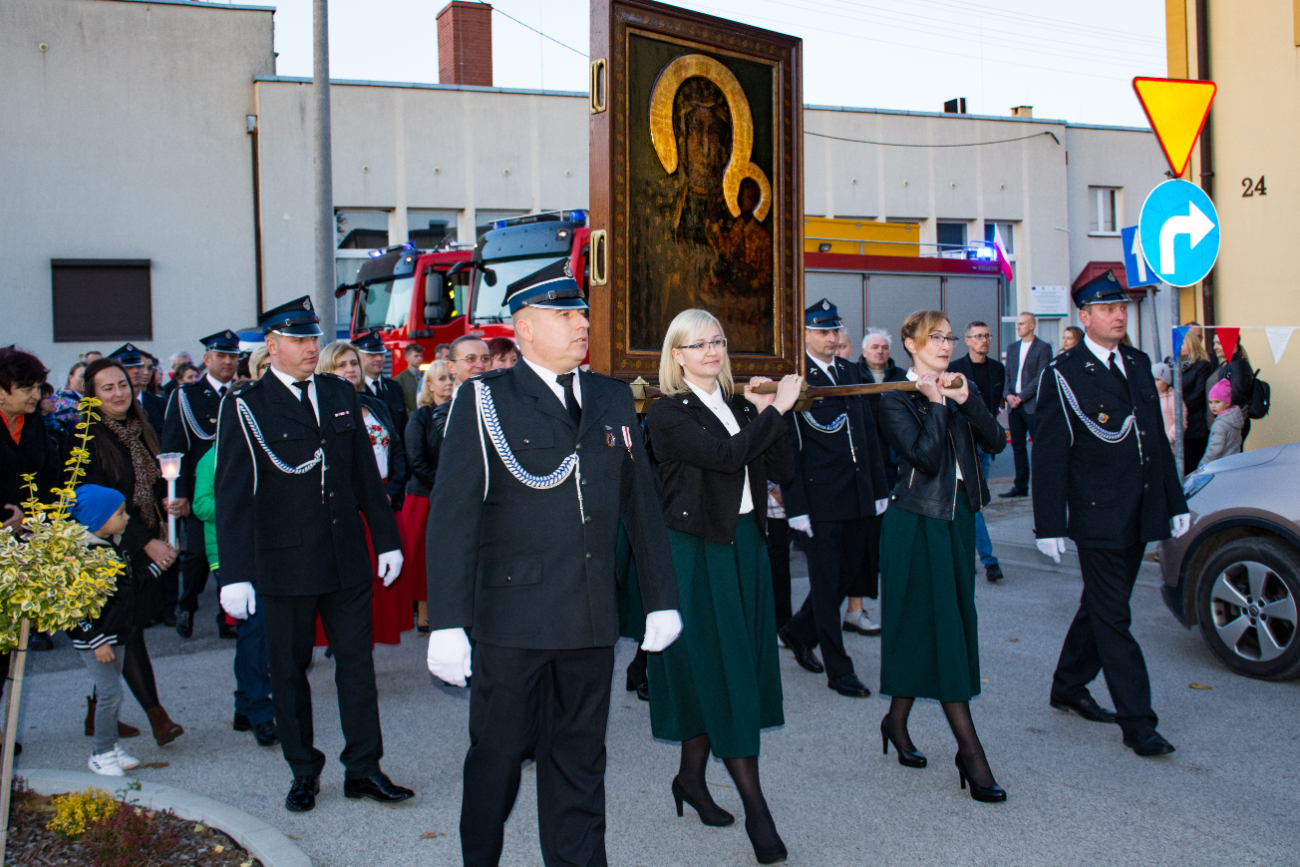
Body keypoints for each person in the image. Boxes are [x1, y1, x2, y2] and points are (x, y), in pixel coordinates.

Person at [424, 259, 681, 867]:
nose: (581, 323)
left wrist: (661, 597)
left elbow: (640, 506)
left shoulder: (612, 397)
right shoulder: (485, 400)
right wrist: (448, 622)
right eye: (565, 314)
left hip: (590, 615)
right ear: (525, 328)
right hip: (513, 620)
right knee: (497, 758)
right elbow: (454, 517)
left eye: (582, 313)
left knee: (581, 761)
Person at [214, 295, 413, 813]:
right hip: (284, 561)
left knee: (357, 666)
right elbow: (233, 495)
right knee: (288, 670)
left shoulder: (338, 393)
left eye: (313, 339)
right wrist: (234, 576)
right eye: (299, 340)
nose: (310, 349)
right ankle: (304, 770)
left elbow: (364, 475)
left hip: (345, 553)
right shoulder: (247, 405)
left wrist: (386, 538)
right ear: (272, 346)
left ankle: (364, 769)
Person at [642, 309, 800, 864]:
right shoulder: (666, 414)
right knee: (719, 667)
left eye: (717, 340)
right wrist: (775, 409)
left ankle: (690, 777)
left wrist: (766, 411)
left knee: (729, 665)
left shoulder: (736, 404)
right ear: (677, 354)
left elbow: (781, 464)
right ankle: (758, 811)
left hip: (745, 548)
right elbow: (727, 457)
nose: (712, 351)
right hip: (696, 551)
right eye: (698, 343)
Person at [1032, 270, 1189, 758]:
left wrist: (1175, 501)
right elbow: (1051, 453)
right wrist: (1049, 523)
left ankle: (1068, 683)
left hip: (1141, 507)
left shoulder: (1139, 363)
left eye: (1122, 307)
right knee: (1115, 616)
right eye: (1106, 308)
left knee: (1101, 606)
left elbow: (1155, 444)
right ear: (1085, 316)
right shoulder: (1064, 373)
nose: (1119, 315)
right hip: (1098, 513)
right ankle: (1138, 723)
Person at [877, 310, 1008, 803]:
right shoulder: (893, 396)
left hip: (955, 524)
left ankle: (895, 720)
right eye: (935, 337)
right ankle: (971, 753)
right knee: (936, 629)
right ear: (909, 343)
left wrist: (965, 399)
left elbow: (996, 440)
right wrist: (935, 403)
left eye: (950, 337)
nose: (945, 344)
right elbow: (926, 459)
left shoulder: (960, 385)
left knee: (942, 625)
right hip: (915, 524)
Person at [777, 299, 889, 699]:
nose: (831, 338)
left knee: (848, 574)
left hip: (857, 496)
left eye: (834, 331)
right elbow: (788, 446)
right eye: (822, 331)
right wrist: (797, 507)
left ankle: (796, 630)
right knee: (826, 586)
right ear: (804, 334)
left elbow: (867, 435)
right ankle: (839, 670)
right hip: (819, 502)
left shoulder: (849, 372)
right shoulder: (795, 378)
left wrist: (878, 490)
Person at [79, 358, 186, 747]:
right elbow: (99, 505)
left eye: (122, 385)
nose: (119, 393)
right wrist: (146, 541)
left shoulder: (140, 429)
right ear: (92, 395)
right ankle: (157, 716)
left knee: (124, 627)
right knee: (128, 629)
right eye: (108, 388)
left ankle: (97, 711)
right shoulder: (86, 437)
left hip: (143, 537)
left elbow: (154, 483)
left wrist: (173, 502)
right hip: (111, 546)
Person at [318, 339, 412, 645]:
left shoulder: (377, 405)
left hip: (384, 500)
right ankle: (346, 639)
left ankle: (370, 637)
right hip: (348, 507)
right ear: (327, 370)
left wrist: (391, 492)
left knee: (383, 575)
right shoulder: (321, 409)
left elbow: (398, 452)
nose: (350, 369)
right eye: (341, 364)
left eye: (353, 363)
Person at [192, 446, 278, 748]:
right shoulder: (212, 458)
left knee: (256, 632)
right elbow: (201, 506)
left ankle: (245, 708)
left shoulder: (264, 448)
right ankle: (260, 712)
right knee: (256, 631)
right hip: (228, 554)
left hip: (264, 551)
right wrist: (246, 501)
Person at [162, 330, 241, 640]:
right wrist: (179, 493)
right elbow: (174, 445)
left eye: (233, 356)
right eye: (221, 356)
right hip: (200, 492)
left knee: (233, 553)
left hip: (237, 488)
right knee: (196, 555)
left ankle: (227, 618)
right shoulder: (186, 395)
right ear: (207, 359)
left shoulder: (243, 392)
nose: (227, 361)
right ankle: (187, 607)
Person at [67, 485, 144, 777]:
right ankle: (100, 753)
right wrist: (95, 640)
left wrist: (156, 569)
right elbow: (72, 607)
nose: (126, 518)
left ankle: (110, 746)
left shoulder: (113, 546)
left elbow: (126, 589)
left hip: (116, 636)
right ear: (98, 519)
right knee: (110, 693)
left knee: (110, 693)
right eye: (120, 513)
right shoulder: (82, 556)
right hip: (97, 641)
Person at [0, 347, 63, 697]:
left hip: (25, 545)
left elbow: (50, 477)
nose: (36, 396)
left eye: (38, 388)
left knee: (10, 647)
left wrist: (39, 520)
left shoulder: (34, 425)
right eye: (27, 388)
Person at [399, 357, 463, 633]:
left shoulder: (460, 412)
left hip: (454, 494)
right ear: (429, 385)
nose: (448, 384)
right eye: (441, 379)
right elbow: (416, 460)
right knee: (423, 556)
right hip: (425, 497)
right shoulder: (420, 417)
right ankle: (424, 611)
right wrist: (445, 485)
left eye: (450, 378)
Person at [948, 320, 1007, 583]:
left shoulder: (998, 369)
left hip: (985, 443)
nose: (984, 340)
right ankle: (988, 560)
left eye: (987, 335)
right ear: (968, 340)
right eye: (978, 336)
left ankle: (969, 558)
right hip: (963, 442)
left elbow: (993, 408)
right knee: (975, 502)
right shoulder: (954, 369)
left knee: (977, 502)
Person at [1000, 312, 1051, 498]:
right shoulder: (1012, 348)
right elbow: (1007, 375)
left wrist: (1021, 396)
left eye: (1022, 323)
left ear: (1032, 326)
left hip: (1032, 405)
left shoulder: (1043, 348)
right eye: (1017, 323)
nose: (1017, 326)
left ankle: (1043, 485)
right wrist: (1008, 396)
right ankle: (1020, 487)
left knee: (1039, 446)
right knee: (1018, 447)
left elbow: (1041, 376)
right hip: (1014, 407)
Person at [354, 330, 410, 443]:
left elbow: (404, 430)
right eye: (372, 355)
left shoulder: (395, 388)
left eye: (381, 354)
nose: (379, 359)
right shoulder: (355, 390)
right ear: (359, 358)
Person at [108, 344, 167, 450]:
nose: (136, 371)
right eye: (129, 368)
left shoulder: (159, 403)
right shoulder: (113, 405)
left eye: (139, 366)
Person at [1176, 331, 1214, 469]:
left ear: (1192, 344)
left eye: (1183, 343)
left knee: (1194, 464)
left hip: (1195, 425)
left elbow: (1199, 395)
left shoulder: (1202, 365)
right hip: (1177, 424)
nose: (1179, 346)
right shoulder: (1175, 366)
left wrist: (1180, 410)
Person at [1199, 379, 1244, 466]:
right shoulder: (1233, 418)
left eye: (1217, 402)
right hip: (1233, 462)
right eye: (1210, 402)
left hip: (1221, 465)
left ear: (1227, 402)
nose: (1213, 406)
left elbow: (1214, 450)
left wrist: (1202, 466)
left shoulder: (1220, 425)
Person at [1151, 362, 1187, 446]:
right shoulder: (1149, 398)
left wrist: (1167, 438)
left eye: (1157, 379)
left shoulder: (1174, 398)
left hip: (1169, 444)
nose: (1153, 383)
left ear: (1166, 381)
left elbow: (1180, 422)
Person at [392, 342, 425, 414]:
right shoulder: (399, 379)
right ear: (407, 358)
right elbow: (400, 404)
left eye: (421, 356)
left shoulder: (426, 376)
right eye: (416, 356)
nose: (419, 358)